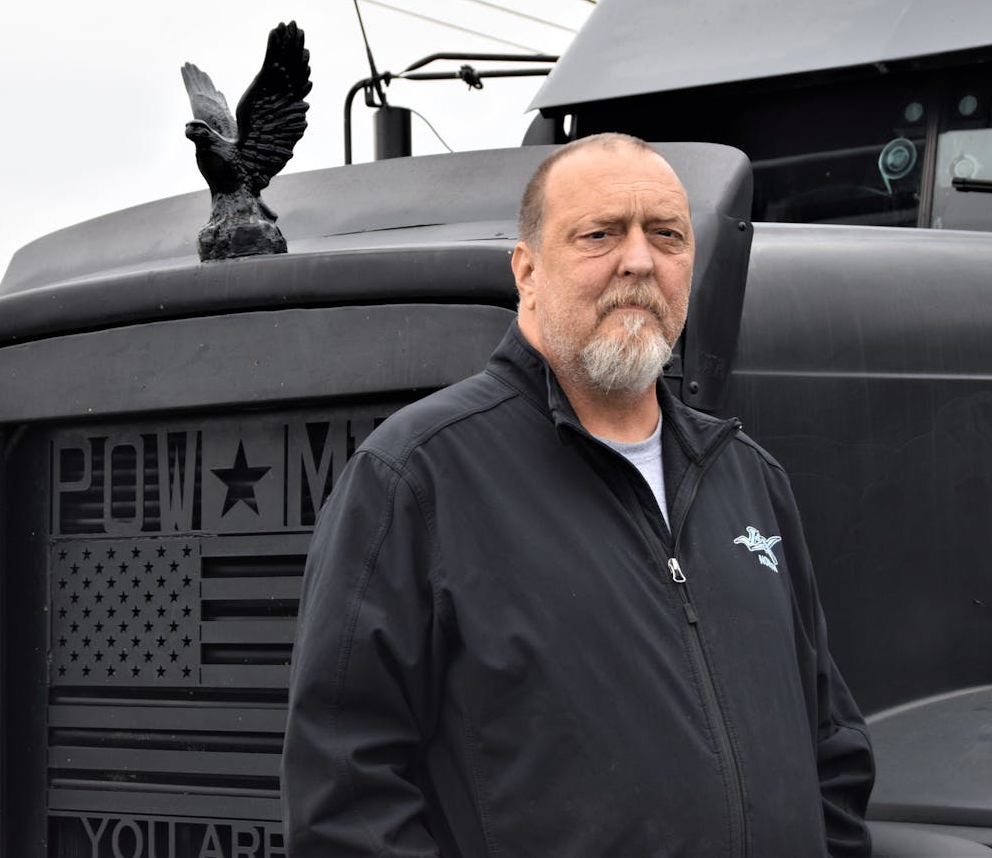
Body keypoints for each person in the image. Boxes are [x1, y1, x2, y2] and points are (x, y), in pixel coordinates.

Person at [283, 133, 875, 857]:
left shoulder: (749, 478)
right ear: (527, 271)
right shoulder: (415, 478)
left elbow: (830, 746)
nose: (638, 260)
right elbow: (345, 799)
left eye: (667, 235)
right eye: (600, 234)